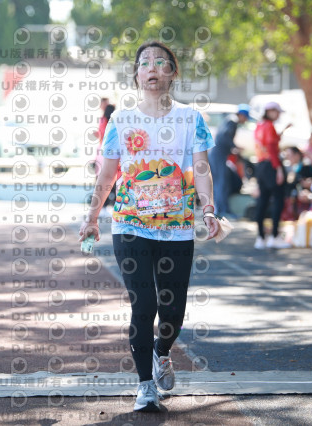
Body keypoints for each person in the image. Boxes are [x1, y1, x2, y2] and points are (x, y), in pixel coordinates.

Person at [78, 41, 220, 412]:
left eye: (161, 62)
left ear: (173, 72)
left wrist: (208, 208)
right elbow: (107, 174)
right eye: (145, 63)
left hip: (177, 227)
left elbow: (201, 169)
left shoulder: (191, 119)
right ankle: (145, 386)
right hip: (130, 225)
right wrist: (92, 217)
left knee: (172, 311)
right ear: (137, 75)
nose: (152, 68)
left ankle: (162, 351)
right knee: (144, 305)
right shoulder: (121, 121)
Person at [253, 101, 291, 249]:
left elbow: (271, 143)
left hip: (261, 165)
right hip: (271, 165)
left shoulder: (260, 125)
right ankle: (274, 236)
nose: (279, 115)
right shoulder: (269, 126)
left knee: (263, 201)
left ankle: (260, 237)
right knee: (278, 200)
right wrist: (278, 168)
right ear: (270, 111)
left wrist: (283, 131)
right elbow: (271, 147)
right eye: (277, 112)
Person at [208, 103, 250, 217]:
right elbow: (224, 137)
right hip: (218, 155)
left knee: (221, 182)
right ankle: (222, 210)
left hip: (217, 155)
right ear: (242, 115)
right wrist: (234, 147)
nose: (245, 120)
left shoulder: (229, 120)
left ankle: (220, 209)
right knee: (221, 183)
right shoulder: (232, 121)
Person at [283, 146, 312, 219]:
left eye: (289, 156)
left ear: (297, 155)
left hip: (310, 200)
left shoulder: (305, 166)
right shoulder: (295, 168)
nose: (288, 158)